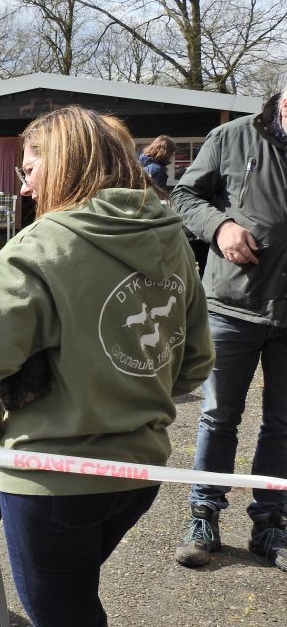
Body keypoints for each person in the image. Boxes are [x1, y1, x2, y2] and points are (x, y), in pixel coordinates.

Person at [0, 106, 214, 627]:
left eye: (30, 168)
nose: (24, 186)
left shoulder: (40, 245)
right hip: (139, 472)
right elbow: (193, 365)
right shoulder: (171, 237)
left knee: (61, 615)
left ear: (64, 163)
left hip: (54, 476)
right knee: (75, 602)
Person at [171, 89, 287, 573]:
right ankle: (204, 515)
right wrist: (220, 227)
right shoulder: (232, 137)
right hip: (232, 306)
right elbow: (183, 196)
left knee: (283, 424)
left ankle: (271, 523)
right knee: (219, 416)